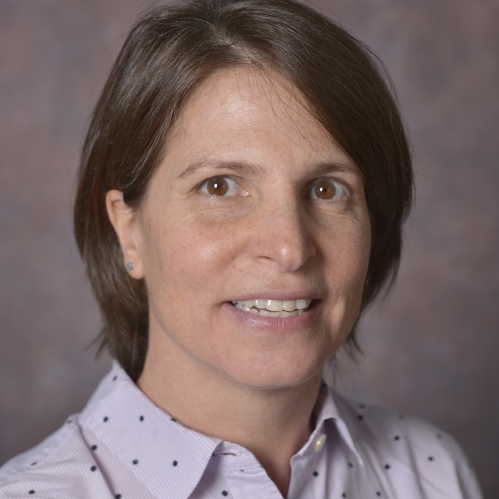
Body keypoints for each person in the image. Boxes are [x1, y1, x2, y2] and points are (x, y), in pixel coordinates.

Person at [0, 0, 483, 497]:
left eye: (326, 189)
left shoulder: (432, 475)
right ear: (129, 230)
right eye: (220, 187)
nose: (290, 248)